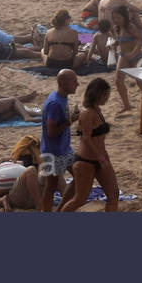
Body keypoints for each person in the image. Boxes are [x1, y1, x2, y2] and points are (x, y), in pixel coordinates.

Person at [61, 78, 120, 211]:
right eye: (105, 94)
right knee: (80, 199)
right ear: (97, 94)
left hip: (101, 158)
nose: (107, 98)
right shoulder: (88, 113)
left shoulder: (97, 109)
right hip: (85, 161)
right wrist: (101, 157)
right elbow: (87, 139)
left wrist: (103, 158)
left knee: (114, 195)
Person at [40, 69, 77, 209]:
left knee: (80, 176)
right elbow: (51, 131)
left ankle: (62, 207)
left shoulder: (61, 98)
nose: (77, 84)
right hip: (53, 151)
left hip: (64, 149)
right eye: (74, 81)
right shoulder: (55, 103)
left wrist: (70, 119)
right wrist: (71, 121)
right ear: (64, 83)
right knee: (51, 186)